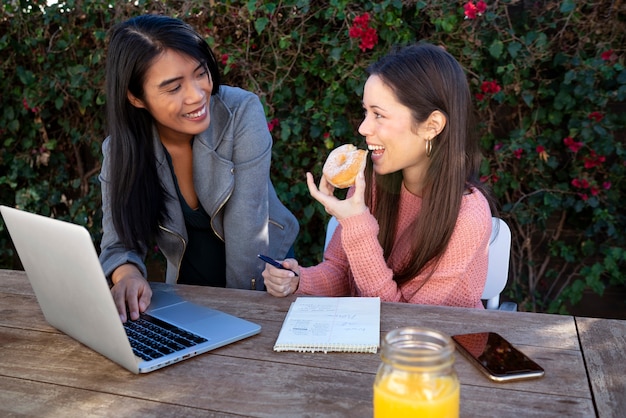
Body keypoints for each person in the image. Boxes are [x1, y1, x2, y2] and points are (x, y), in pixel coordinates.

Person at [262, 43, 496, 308]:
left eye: (379, 115)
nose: (363, 128)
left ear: (432, 126)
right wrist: (298, 280)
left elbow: (402, 319)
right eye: (366, 112)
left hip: (439, 346)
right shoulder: (372, 184)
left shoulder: (467, 215)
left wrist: (355, 222)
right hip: (367, 340)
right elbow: (343, 273)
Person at [99, 14, 299, 322]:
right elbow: (118, 241)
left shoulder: (240, 113)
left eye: (200, 73)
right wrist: (127, 275)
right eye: (173, 87)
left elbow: (249, 235)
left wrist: (239, 317)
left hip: (260, 288)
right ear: (136, 97)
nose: (196, 94)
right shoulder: (121, 150)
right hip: (187, 297)